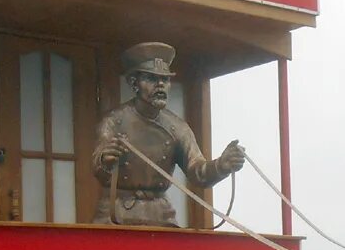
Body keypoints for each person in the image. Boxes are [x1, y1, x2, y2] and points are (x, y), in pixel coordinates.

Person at [92, 42, 245, 226]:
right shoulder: (113, 122)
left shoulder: (178, 128)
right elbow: (98, 167)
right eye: (152, 79)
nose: (160, 85)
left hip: (161, 216)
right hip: (116, 215)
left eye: (165, 80)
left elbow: (197, 171)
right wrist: (105, 161)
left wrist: (222, 165)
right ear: (134, 83)